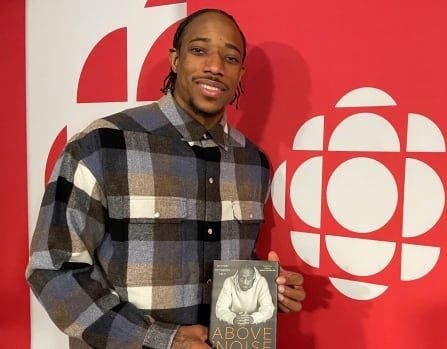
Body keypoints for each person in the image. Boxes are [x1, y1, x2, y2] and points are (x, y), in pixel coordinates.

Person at [26, 8, 305, 349]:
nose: (215, 66)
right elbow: (53, 268)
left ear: (240, 72)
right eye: (199, 50)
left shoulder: (254, 163)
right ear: (175, 59)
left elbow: (229, 262)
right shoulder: (102, 144)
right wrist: (159, 339)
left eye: (230, 57)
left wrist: (265, 286)